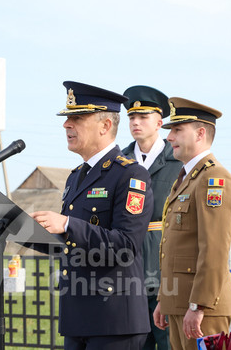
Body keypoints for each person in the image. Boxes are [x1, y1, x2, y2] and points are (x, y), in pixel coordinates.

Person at [30, 81, 154, 350]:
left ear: (105, 126)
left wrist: (66, 223)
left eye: (77, 118)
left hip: (114, 321)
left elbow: (126, 246)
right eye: (67, 118)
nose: (66, 125)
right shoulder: (76, 177)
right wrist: (25, 231)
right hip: (77, 316)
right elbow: (71, 245)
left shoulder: (130, 174)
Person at [152, 97, 231, 350]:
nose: (169, 137)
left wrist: (198, 305)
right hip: (181, 303)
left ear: (200, 133)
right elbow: (176, 247)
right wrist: (164, 300)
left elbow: (214, 249)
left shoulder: (214, 178)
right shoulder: (187, 177)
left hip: (204, 309)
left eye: (177, 130)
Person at [121, 85, 184, 350]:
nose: (136, 122)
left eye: (143, 117)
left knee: (168, 339)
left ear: (160, 122)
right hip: (128, 263)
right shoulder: (120, 161)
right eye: (132, 118)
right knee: (135, 340)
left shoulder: (179, 161)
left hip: (164, 261)